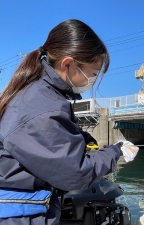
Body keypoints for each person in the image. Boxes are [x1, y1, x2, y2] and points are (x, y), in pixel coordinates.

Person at [0, 19, 124, 224]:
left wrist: (80, 137)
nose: (90, 81)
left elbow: (47, 137)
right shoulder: (43, 105)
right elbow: (77, 173)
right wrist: (116, 152)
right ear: (68, 64)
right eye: (92, 74)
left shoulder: (37, 93)